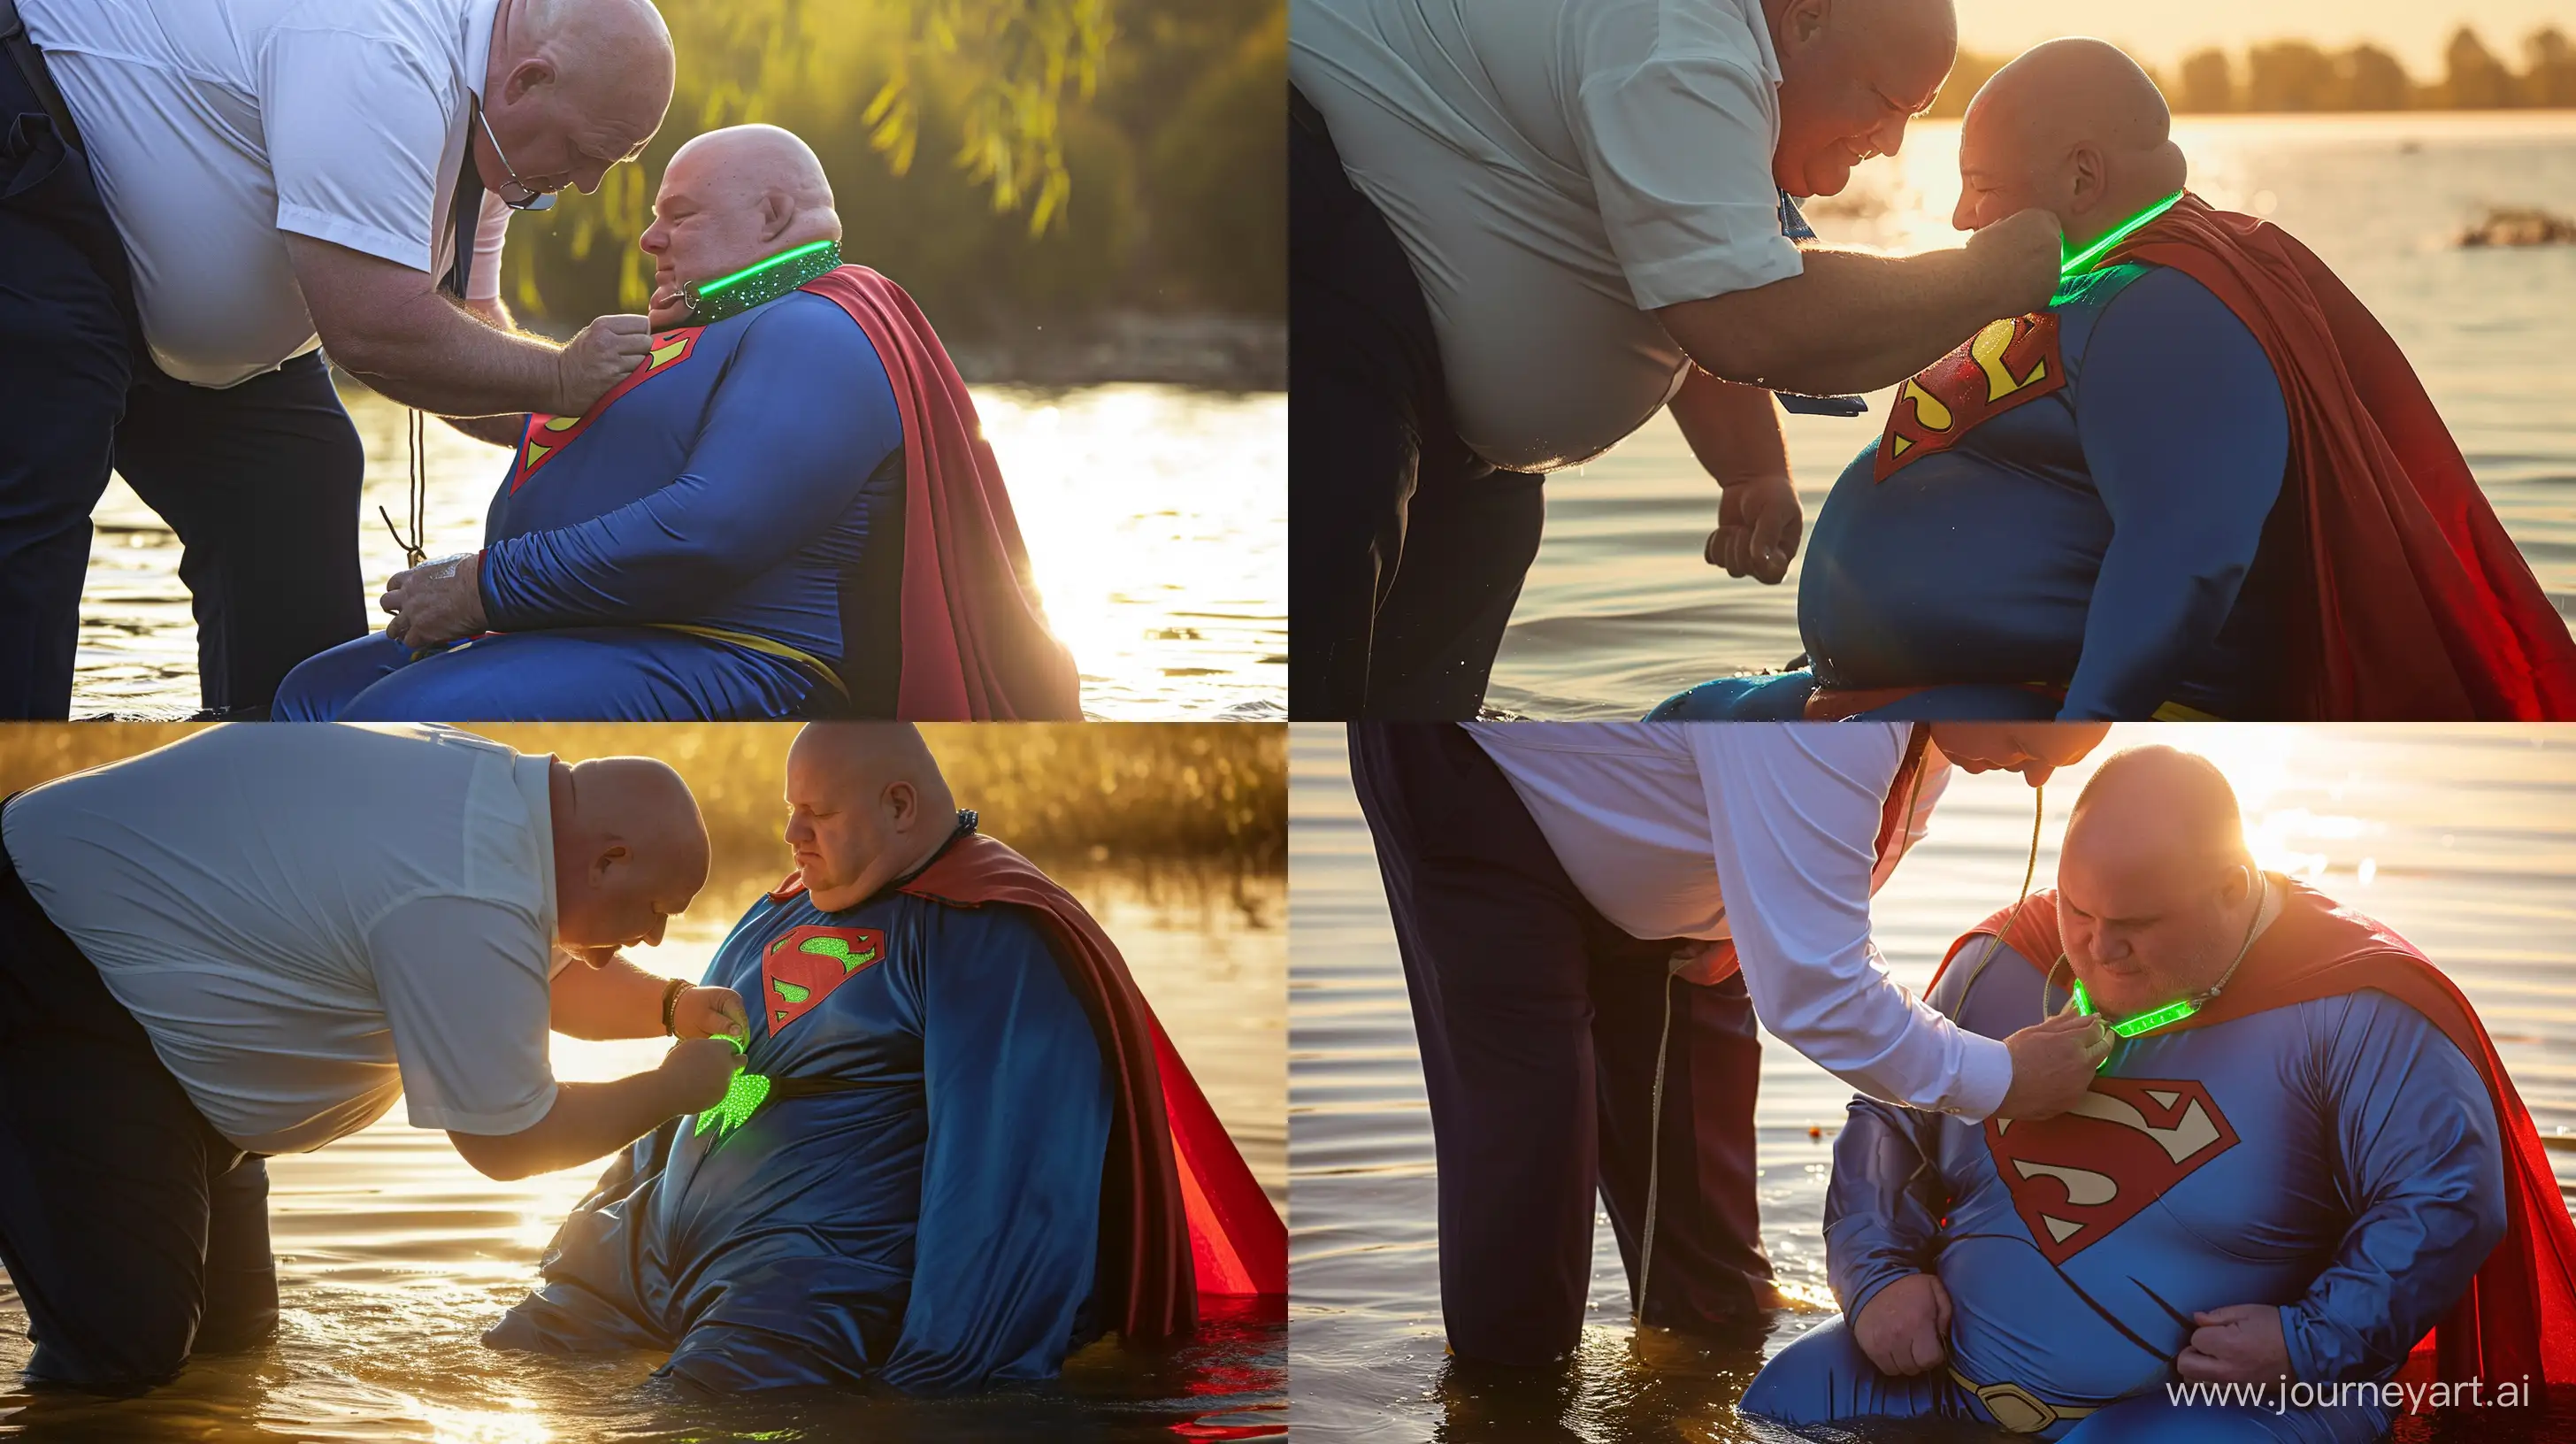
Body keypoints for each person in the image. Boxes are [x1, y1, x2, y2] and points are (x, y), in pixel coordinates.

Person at [1652, 39, 2576, 724]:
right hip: (1918, 688)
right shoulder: (2082, 289)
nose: (1959, 212)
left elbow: (2187, 548)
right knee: (1681, 727)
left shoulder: (2165, 307)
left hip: (2044, 710)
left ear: (2082, 176)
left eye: (1979, 184)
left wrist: (2083, 730)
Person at [1743, 744, 2576, 1439]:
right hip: (1949, 1377)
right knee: (1789, 1393)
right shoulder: (2005, 961)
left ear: (2232, 889)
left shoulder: (2355, 1008)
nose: (2099, 951)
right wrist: (1877, 1274)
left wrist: (2307, 1342)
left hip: (2237, 1401)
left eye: (2137, 926)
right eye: (2078, 910)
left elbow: (2446, 1200)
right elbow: (1889, 1122)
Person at [1290, 0, 2073, 718]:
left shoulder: (1716, 78)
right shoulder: (1680, 44)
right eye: (1884, 102)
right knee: (1349, 503)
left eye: (1917, 113)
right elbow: (1740, 315)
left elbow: (1684, 273)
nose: (1895, 142)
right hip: (1310, 187)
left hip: (1437, 368)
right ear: (1803, 23)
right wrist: (1988, 279)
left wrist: (1753, 468)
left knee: (1454, 616)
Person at [485, 724, 1284, 1392]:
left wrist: (942, 1382)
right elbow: (703, 1084)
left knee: (687, 1422)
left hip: (801, 1289)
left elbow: (1005, 1174)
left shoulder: (992, 936)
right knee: (508, 1365)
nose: (791, 836)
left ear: (899, 806)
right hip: (638, 1261)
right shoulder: (783, 909)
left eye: (816, 814)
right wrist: (598, 1231)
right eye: (790, 812)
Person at [0, 724, 750, 1394]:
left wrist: (671, 1006)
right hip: (51, 958)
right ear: (608, 860)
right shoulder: (468, 883)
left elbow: (538, 980)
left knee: (230, 1346)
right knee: (123, 1351)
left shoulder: (503, 810)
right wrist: (671, 1089)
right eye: (658, 910)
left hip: (174, 1036)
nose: (655, 938)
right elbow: (508, 1140)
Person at [1346, 719, 2113, 1366]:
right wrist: (2003, 1076)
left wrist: (1740, 924)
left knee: (1714, 1284)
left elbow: (1824, 888)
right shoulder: (1840, 729)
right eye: (2032, 736)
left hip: (1660, 865)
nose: (2035, 774)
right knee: (1532, 1168)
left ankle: (1700, 1378)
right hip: (1483, 794)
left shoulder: (1936, 743)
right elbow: (1820, 990)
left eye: (2064, 759)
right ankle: (1511, 1406)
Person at [0, 0, 677, 719]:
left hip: (164, 284)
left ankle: (275, 777)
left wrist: (601, 427)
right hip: (33, 158)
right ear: (528, 80)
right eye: (584, 152)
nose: (589, 185)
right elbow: (376, 331)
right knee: (44, 449)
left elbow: (471, 336)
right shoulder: (381, 53)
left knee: (301, 474)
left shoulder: (502, 136)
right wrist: (566, 377)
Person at [272, 126, 1082, 723]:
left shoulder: (821, 328)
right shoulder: (698, 335)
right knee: (310, 694)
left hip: (747, 663)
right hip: (594, 631)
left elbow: (710, 529)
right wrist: (385, 322)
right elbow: (516, 411)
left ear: (771, 215)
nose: (649, 236)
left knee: (387, 720)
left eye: (681, 215)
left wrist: (482, 587)